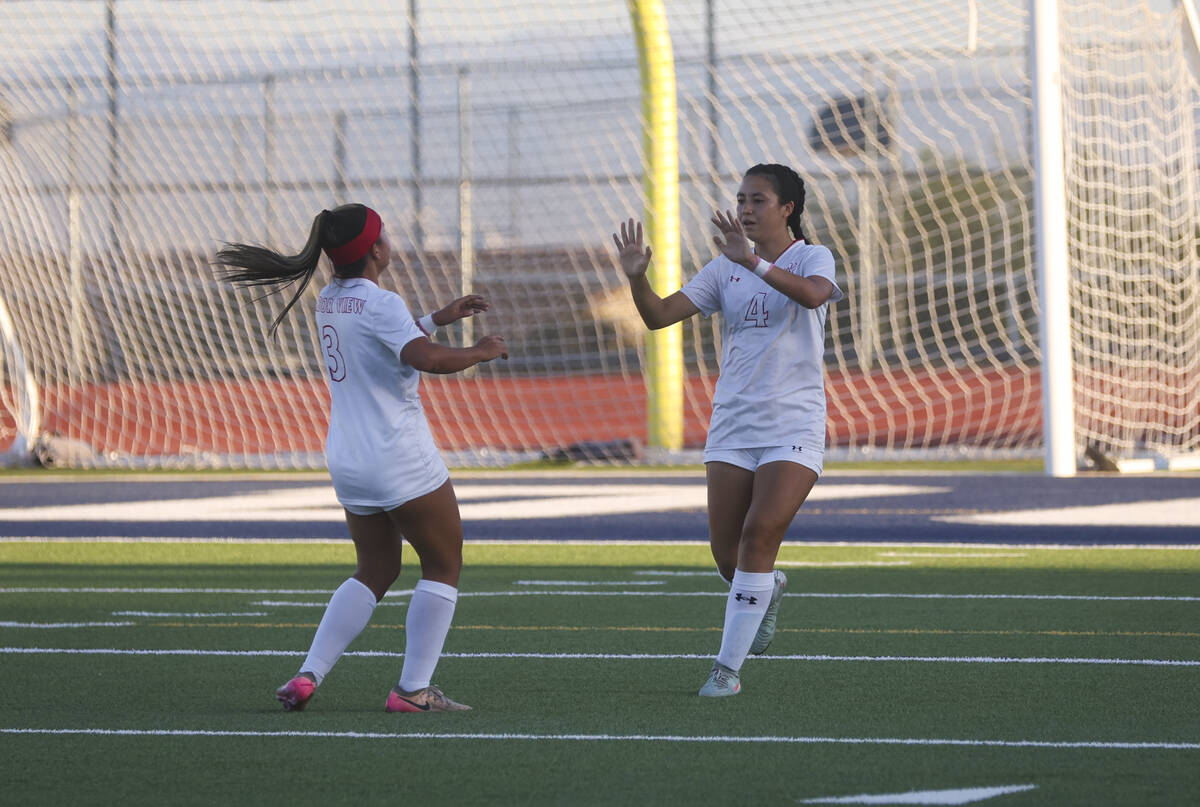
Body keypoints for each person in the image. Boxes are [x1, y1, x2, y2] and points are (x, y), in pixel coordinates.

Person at [215, 203, 508, 713]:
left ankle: (309, 674)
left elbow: (383, 342)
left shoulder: (330, 299)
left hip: (348, 461)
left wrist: (438, 317)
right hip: (398, 457)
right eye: (385, 233)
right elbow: (424, 358)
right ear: (375, 250)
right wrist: (478, 352)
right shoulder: (383, 304)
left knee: (375, 568)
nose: (389, 239)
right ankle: (414, 690)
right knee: (443, 564)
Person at [612, 164, 843, 697]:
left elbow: (812, 295)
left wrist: (755, 262)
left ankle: (726, 672)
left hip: (794, 423)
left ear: (787, 209)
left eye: (757, 199)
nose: (744, 207)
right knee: (728, 555)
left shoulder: (811, 256)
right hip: (734, 424)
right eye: (741, 198)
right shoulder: (723, 268)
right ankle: (768, 589)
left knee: (760, 534)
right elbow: (659, 316)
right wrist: (635, 277)